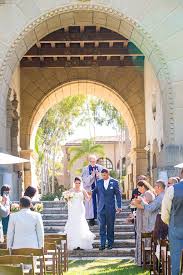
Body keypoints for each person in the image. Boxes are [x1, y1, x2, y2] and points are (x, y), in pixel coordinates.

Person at [93, 168, 122, 250]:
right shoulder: (99, 182)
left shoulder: (115, 182)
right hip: (101, 208)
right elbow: (94, 192)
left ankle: (110, 243)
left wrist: (119, 206)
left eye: (104, 175)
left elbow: (118, 195)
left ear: (108, 174)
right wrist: (87, 194)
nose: (103, 176)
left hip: (111, 208)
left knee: (110, 226)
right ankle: (102, 244)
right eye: (102, 175)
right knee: (102, 226)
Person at [161, 170, 183, 275]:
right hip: (175, 227)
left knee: (175, 258)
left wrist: (170, 224)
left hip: (176, 227)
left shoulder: (172, 189)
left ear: (181, 175)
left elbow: (165, 212)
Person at [64, 177, 95, 250]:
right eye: (76, 183)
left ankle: (81, 243)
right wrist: (67, 198)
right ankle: (73, 243)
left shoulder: (83, 190)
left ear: (80, 183)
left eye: (79, 183)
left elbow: (87, 199)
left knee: (80, 223)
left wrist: (90, 195)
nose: (77, 184)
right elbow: (67, 200)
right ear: (74, 183)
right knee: (73, 224)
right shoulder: (71, 190)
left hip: (80, 209)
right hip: (73, 210)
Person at [131, 180, 155, 266]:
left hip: (146, 220)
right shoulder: (143, 195)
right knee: (140, 237)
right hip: (141, 218)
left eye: (139, 187)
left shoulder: (148, 193)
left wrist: (135, 203)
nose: (138, 189)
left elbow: (145, 206)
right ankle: (140, 259)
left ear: (143, 186)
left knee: (145, 239)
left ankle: (146, 260)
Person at [82, 154, 103, 226]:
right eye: (91, 161)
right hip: (90, 188)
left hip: (99, 189)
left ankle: (99, 218)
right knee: (90, 204)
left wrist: (98, 176)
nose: (93, 163)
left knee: (99, 202)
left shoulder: (100, 168)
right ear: (89, 161)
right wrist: (91, 176)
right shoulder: (85, 169)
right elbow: (85, 180)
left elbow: (104, 178)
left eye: (94, 161)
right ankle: (91, 219)